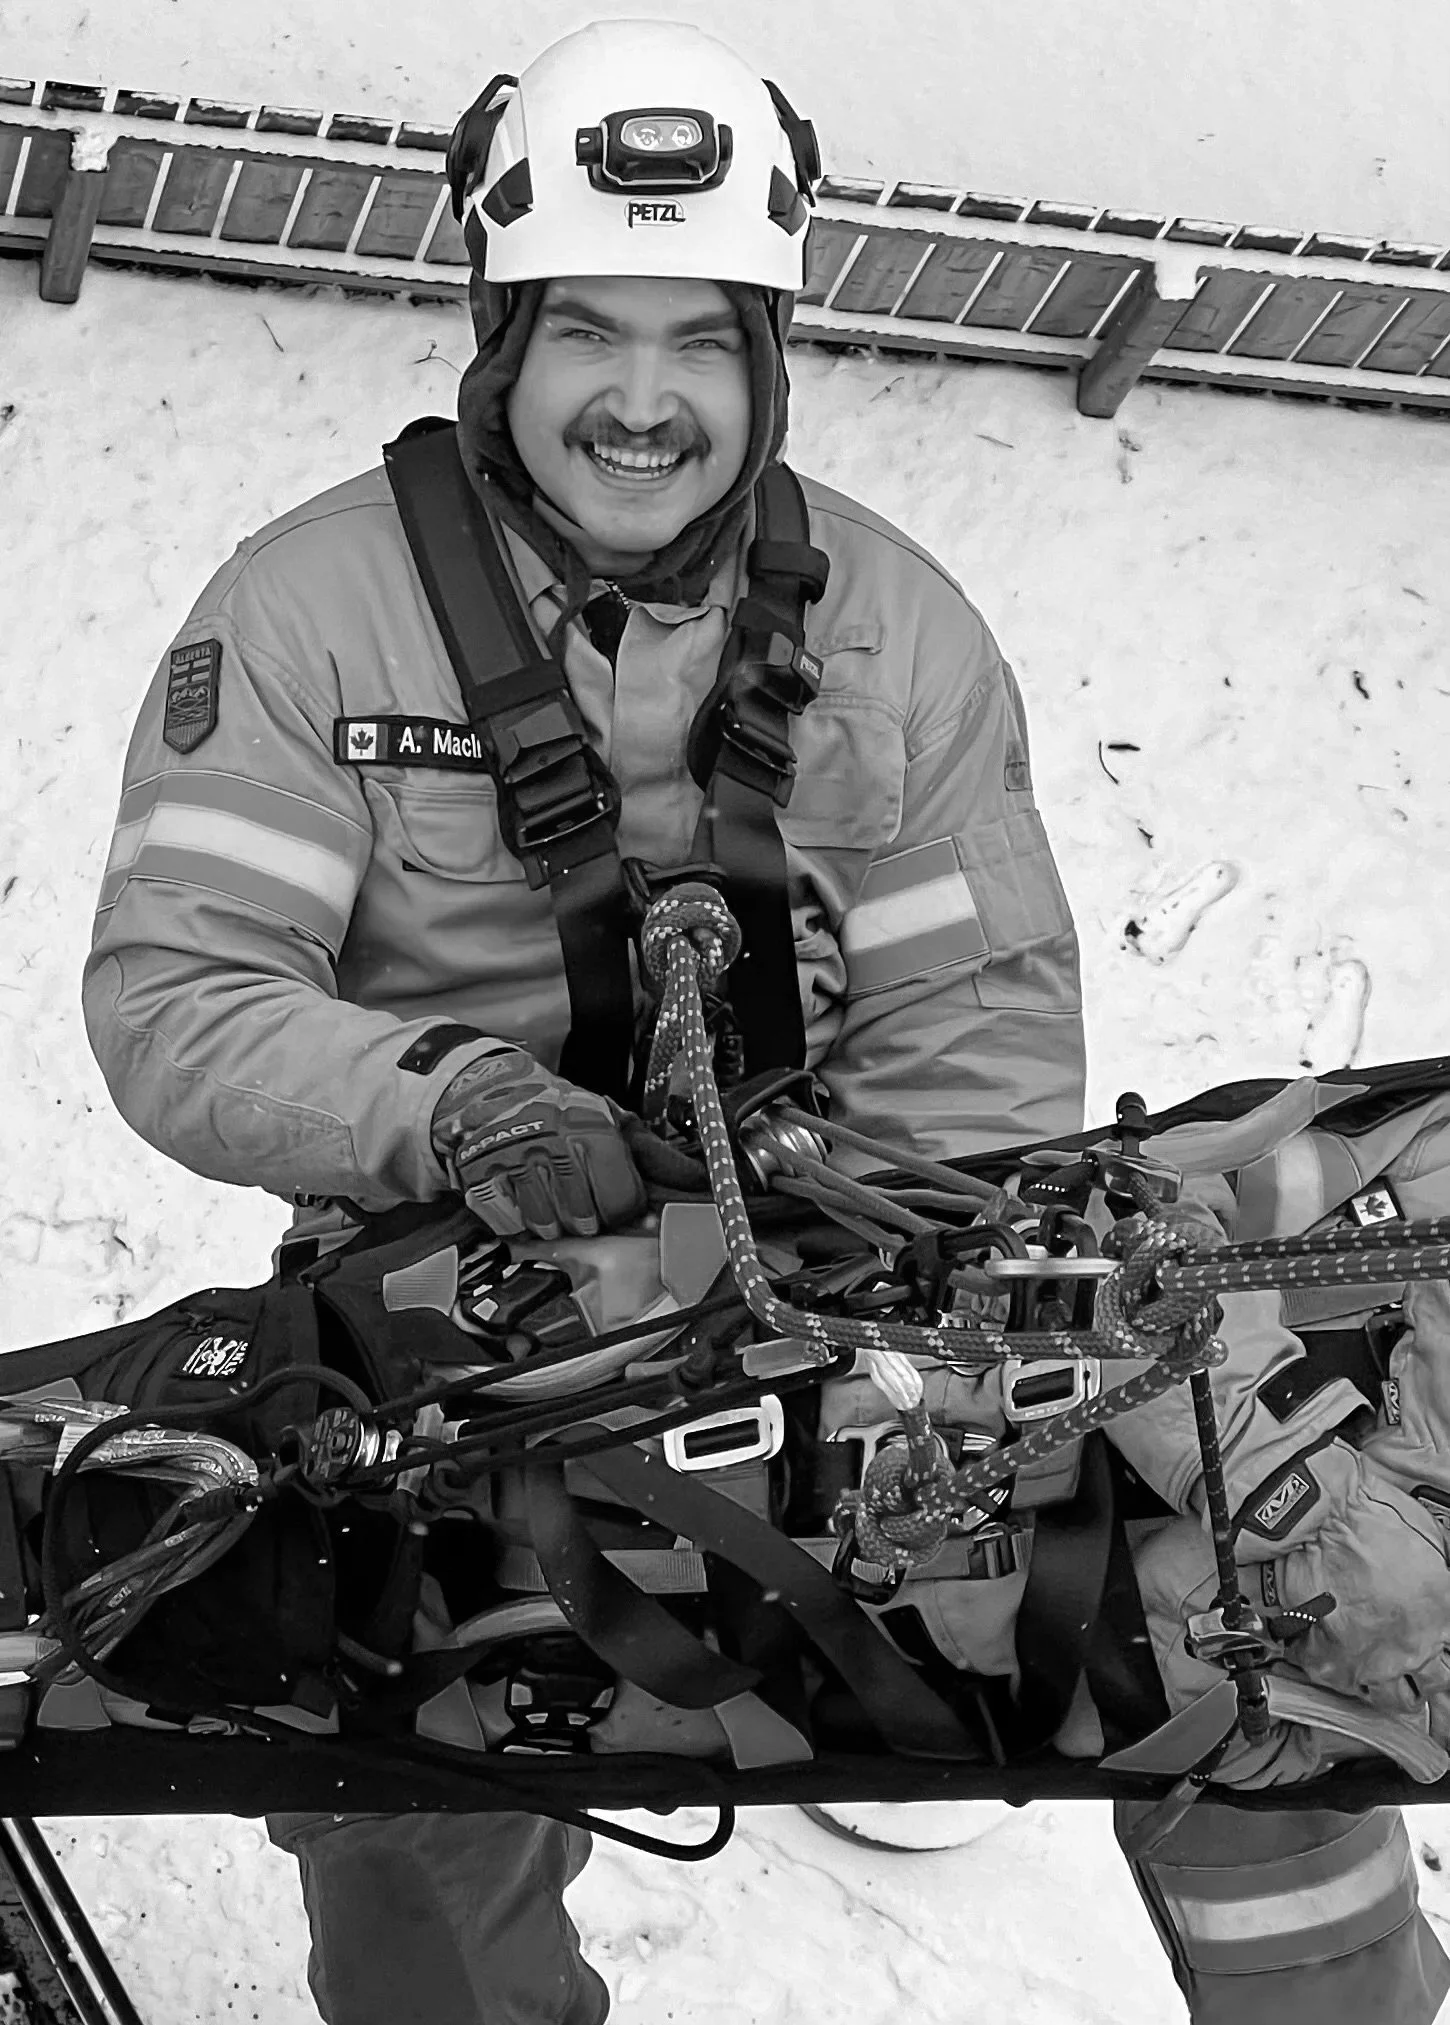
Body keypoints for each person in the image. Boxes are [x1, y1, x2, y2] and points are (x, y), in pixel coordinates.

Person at [80, 19, 1447, 2025]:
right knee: (399, 1753)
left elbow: (977, 1058)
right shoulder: (305, 616)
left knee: (1249, 1628)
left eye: (700, 340)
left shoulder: (891, 640)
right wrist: (445, 1108)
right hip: (453, 1299)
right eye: (588, 335)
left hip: (856, 1268)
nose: (643, 401)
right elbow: (180, 999)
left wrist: (926, 1359)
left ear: (767, 357)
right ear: (499, 341)